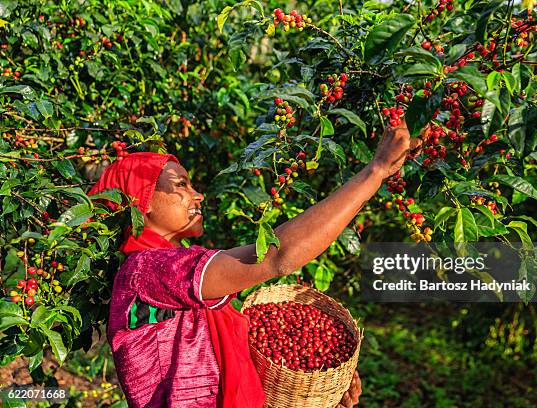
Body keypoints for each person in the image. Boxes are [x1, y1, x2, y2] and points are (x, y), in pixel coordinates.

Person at [87, 119, 421, 407]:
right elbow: (279, 256)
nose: (197, 195)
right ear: (141, 202)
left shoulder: (177, 270)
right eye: (181, 186)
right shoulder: (147, 270)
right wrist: (374, 173)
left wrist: (320, 383)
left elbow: (236, 369)